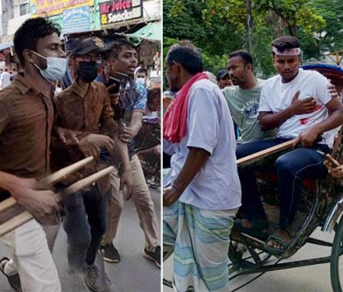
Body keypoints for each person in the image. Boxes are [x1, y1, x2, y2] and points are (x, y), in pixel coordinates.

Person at [0, 17, 68, 292]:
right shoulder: (3, 103)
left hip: (45, 198)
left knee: (39, 251)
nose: (62, 55)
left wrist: (81, 140)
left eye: (62, 47)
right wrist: (17, 188)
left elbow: (49, 137)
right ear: (30, 55)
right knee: (47, 286)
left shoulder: (48, 95)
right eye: (53, 48)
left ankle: (12, 269)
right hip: (13, 210)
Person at [236, 36, 343, 254]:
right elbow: (265, 122)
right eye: (281, 61)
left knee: (286, 164)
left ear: (299, 59)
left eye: (291, 61)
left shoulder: (315, 80)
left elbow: (340, 113)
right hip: (283, 141)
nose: (286, 66)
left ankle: (285, 228)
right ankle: (256, 217)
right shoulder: (270, 85)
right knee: (236, 156)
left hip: (315, 148)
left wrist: (316, 129)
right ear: (273, 60)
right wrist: (292, 110)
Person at [162, 41, 241, 291]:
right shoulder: (187, 94)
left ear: (175, 67)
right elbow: (176, 147)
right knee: (185, 267)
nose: (167, 76)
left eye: (167, 70)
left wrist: (174, 189)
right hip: (192, 194)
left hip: (212, 198)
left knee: (210, 277)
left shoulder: (202, 91)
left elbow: (200, 148)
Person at [51, 36, 126, 291]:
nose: (93, 64)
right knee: (80, 233)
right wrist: (83, 138)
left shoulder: (102, 91)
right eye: (88, 59)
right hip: (68, 177)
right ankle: (76, 261)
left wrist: (117, 136)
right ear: (73, 64)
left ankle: (88, 264)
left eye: (97, 59)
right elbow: (53, 137)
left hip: (96, 173)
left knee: (100, 227)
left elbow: (107, 122)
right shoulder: (59, 100)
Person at [97, 37, 160, 267]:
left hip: (128, 150)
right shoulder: (97, 88)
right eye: (126, 56)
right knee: (116, 204)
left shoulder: (137, 89)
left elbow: (136, 120)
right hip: (103, 157)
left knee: (144, 199)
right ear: (110, 62)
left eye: (134, 55)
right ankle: (106, 242)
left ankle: (153, 245)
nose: (133, 60)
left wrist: (130, 133)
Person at [223, 50, 276, 143]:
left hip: (271, 141)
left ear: (248, 67)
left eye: (234, 68)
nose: (230, 73)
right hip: (245, 143)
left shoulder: (268, 87)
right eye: (229, 69)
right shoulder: (227, 94)